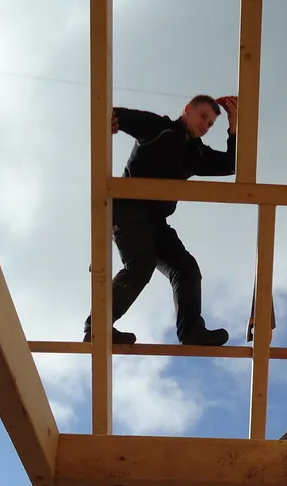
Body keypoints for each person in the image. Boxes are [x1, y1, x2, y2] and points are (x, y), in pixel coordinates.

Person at [84, 94, 239, 347]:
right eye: (203, 117)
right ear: (187, 109)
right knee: (141, 263)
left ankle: (191, 332)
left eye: (211, 124)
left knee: (186, 269)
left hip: (156, 221)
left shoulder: (196, 154)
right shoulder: (160, 129)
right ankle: (97, 328)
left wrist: (234, 127)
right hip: (127, 209)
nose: (206, 126)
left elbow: (232, 164)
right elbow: (118, 115)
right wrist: (112, 121)